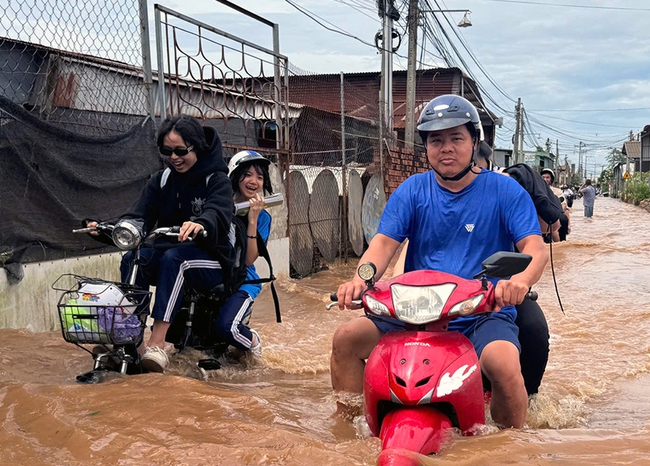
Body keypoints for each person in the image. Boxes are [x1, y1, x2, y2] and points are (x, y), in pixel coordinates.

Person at [331, 95, 548, 429]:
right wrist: (361, 278)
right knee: (345, 338)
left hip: (480, 312)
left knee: (504, 366)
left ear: (475, 142)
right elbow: (384, 243)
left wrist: (520, 281)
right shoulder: (412, 190)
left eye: (456, 138)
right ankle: (351, 427)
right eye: (436, 140)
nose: (446, 147)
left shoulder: (505, 191)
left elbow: (534, 246)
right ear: (427, 147)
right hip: (414, 313)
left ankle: (511, 449)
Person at [88, 115, 235, 373]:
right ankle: (131, 338)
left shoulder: (217, 180)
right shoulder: (161, 179)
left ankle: (158, 344)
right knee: (136, 257)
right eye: (167, 151)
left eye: (180, 151)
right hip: (172, 252)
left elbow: (218, 212)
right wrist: (106, 228)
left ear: (197, 147)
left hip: (211, 259)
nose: (174, 157)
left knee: (175, 259)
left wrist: (201, 224)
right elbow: (139, 215)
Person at [475, 143, 553, 397]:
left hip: (500, 285)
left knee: (534, 330)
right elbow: (405, 249)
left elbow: (538, 242)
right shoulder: (428, 192)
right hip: (444, 294)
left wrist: (520, 281)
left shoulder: (505, 190)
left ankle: (527, 398)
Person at [219, 150, 277, 357]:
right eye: (248, 174)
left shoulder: (263, 217)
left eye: (260, 177)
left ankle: (252, 341)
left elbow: (250, 259)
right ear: (235, 176)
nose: (254, 181)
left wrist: (252, 220)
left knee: (228, 328)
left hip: (245, 281)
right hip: (215, 275)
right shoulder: (219, 206)